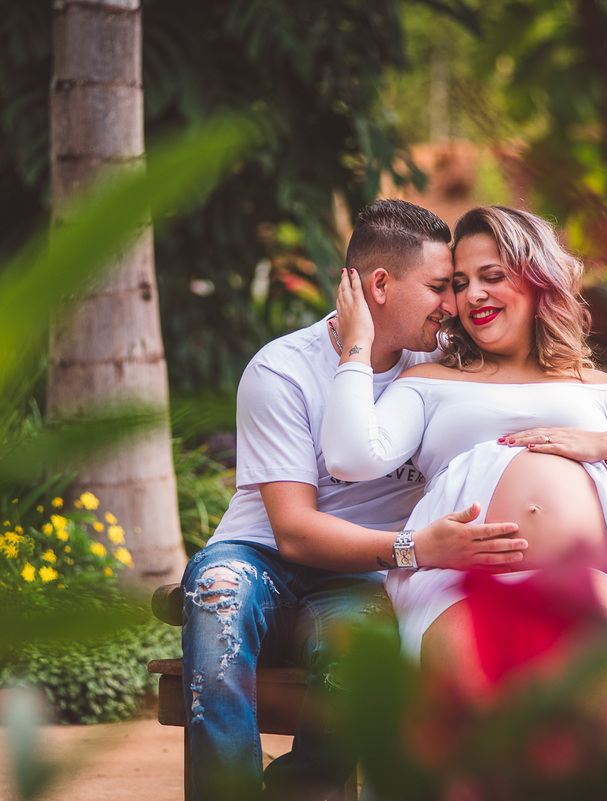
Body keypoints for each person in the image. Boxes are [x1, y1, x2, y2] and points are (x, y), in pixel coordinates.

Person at [320, 205, 607, 781]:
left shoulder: (587, 387)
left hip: (580, 585)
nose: (471, 296)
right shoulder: (430, 383)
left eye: (492, 275)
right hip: (462, 587)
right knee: (483, 764)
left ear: (537, 277)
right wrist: (357, 345)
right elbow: (350, 455)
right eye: (460, 283)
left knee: (570, 770)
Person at [180, 199, 535, 801]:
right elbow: (293, 531)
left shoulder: (443, 366)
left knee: (360, 653)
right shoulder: (282, 371)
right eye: (437, 287)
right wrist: (415, 548)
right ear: (379, 285)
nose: (452, 304)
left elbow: (541, 400)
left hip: (359, 577)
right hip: (258, 554)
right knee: (217, 597)